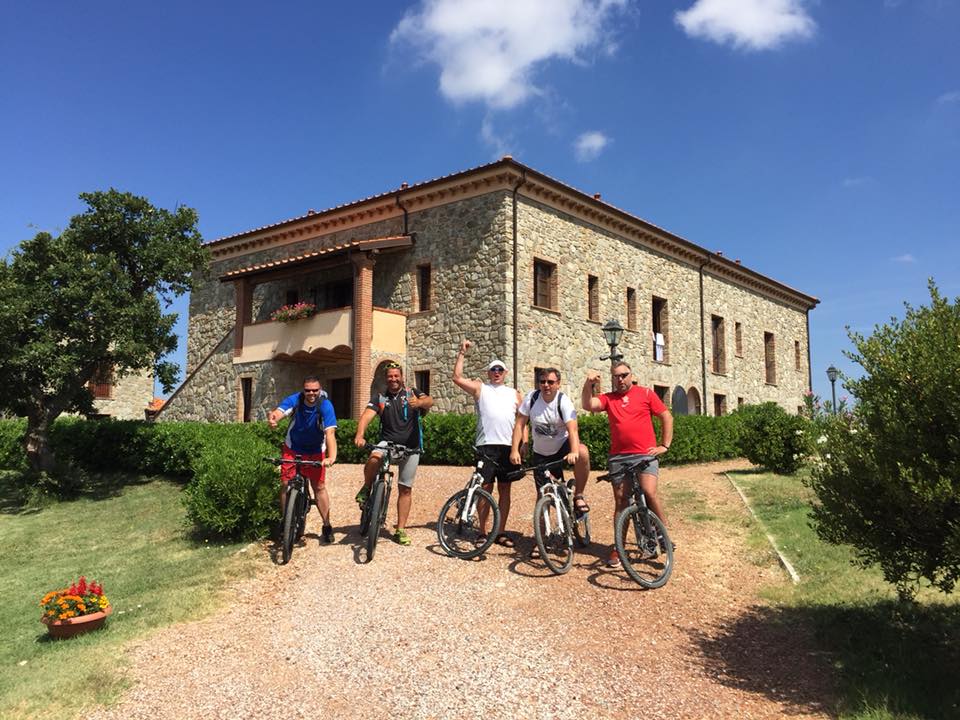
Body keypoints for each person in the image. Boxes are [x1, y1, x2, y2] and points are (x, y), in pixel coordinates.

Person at [581, 362, 673, 568]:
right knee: (621, 502)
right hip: (619, 458)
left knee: (649, 493)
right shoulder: (609, 398)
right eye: (616, 376)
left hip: (644, 455)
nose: (620, 379)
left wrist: (664, 445)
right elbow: (588, 405)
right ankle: (618, 548)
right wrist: (588, 384)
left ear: (631, 375)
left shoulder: (646, 394)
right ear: (612, 378)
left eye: (624, 375)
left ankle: (663, 535)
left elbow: (666, 416)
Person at [452, 340, 525, 547]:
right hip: (487, 446)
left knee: (505, 489)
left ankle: (500, 531)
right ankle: (483, 532)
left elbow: (523, 419)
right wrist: (462, 353)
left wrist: (523, 443)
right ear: (488, 372)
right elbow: (457, 378)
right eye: (493, 369)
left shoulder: (514, 393)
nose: (496, 372)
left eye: (500, 369)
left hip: (508, 447)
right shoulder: (480, 389)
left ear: (505, 372)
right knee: (485, 488)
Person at [510, 367, 590, 555]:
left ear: (558, 384)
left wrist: (573, 451)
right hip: (541, 453)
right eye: (543, 381)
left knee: (583, 452)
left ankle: (578, 495)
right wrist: (515, 449)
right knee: (542, 497)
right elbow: (520, 423)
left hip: (561, 448)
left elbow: (573, 430)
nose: (546, 385)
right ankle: (542, 539)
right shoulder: (532, 398)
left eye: (550, 382)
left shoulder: (563, 401)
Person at [353, 362, 433, 546]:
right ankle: (367, 488)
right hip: (387, 444)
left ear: (402, 377)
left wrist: (420, 403)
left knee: (405, 488)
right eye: (390, 376)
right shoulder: (380, 398)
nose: (393, 379)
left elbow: (430, 401)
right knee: (374, 457)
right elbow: (366, 415)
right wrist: (360, 434)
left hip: (412, 447)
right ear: (386, 378)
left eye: (396, 376)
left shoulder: (412, 392)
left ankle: (400, 529)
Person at [267, 375, 338, 544]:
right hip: (293, 447)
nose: (311, 393)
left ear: (320, 390)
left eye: (315, 390)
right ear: (303, 390)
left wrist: (331, 456)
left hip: (315, 450)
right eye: (308, 390)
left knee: (319, 487)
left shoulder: (325, 406)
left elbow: (330, 433)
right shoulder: (295, 400)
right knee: (285, 484)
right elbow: (280, 412)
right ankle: (286, 522)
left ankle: (327, 525)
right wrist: (273, 419)